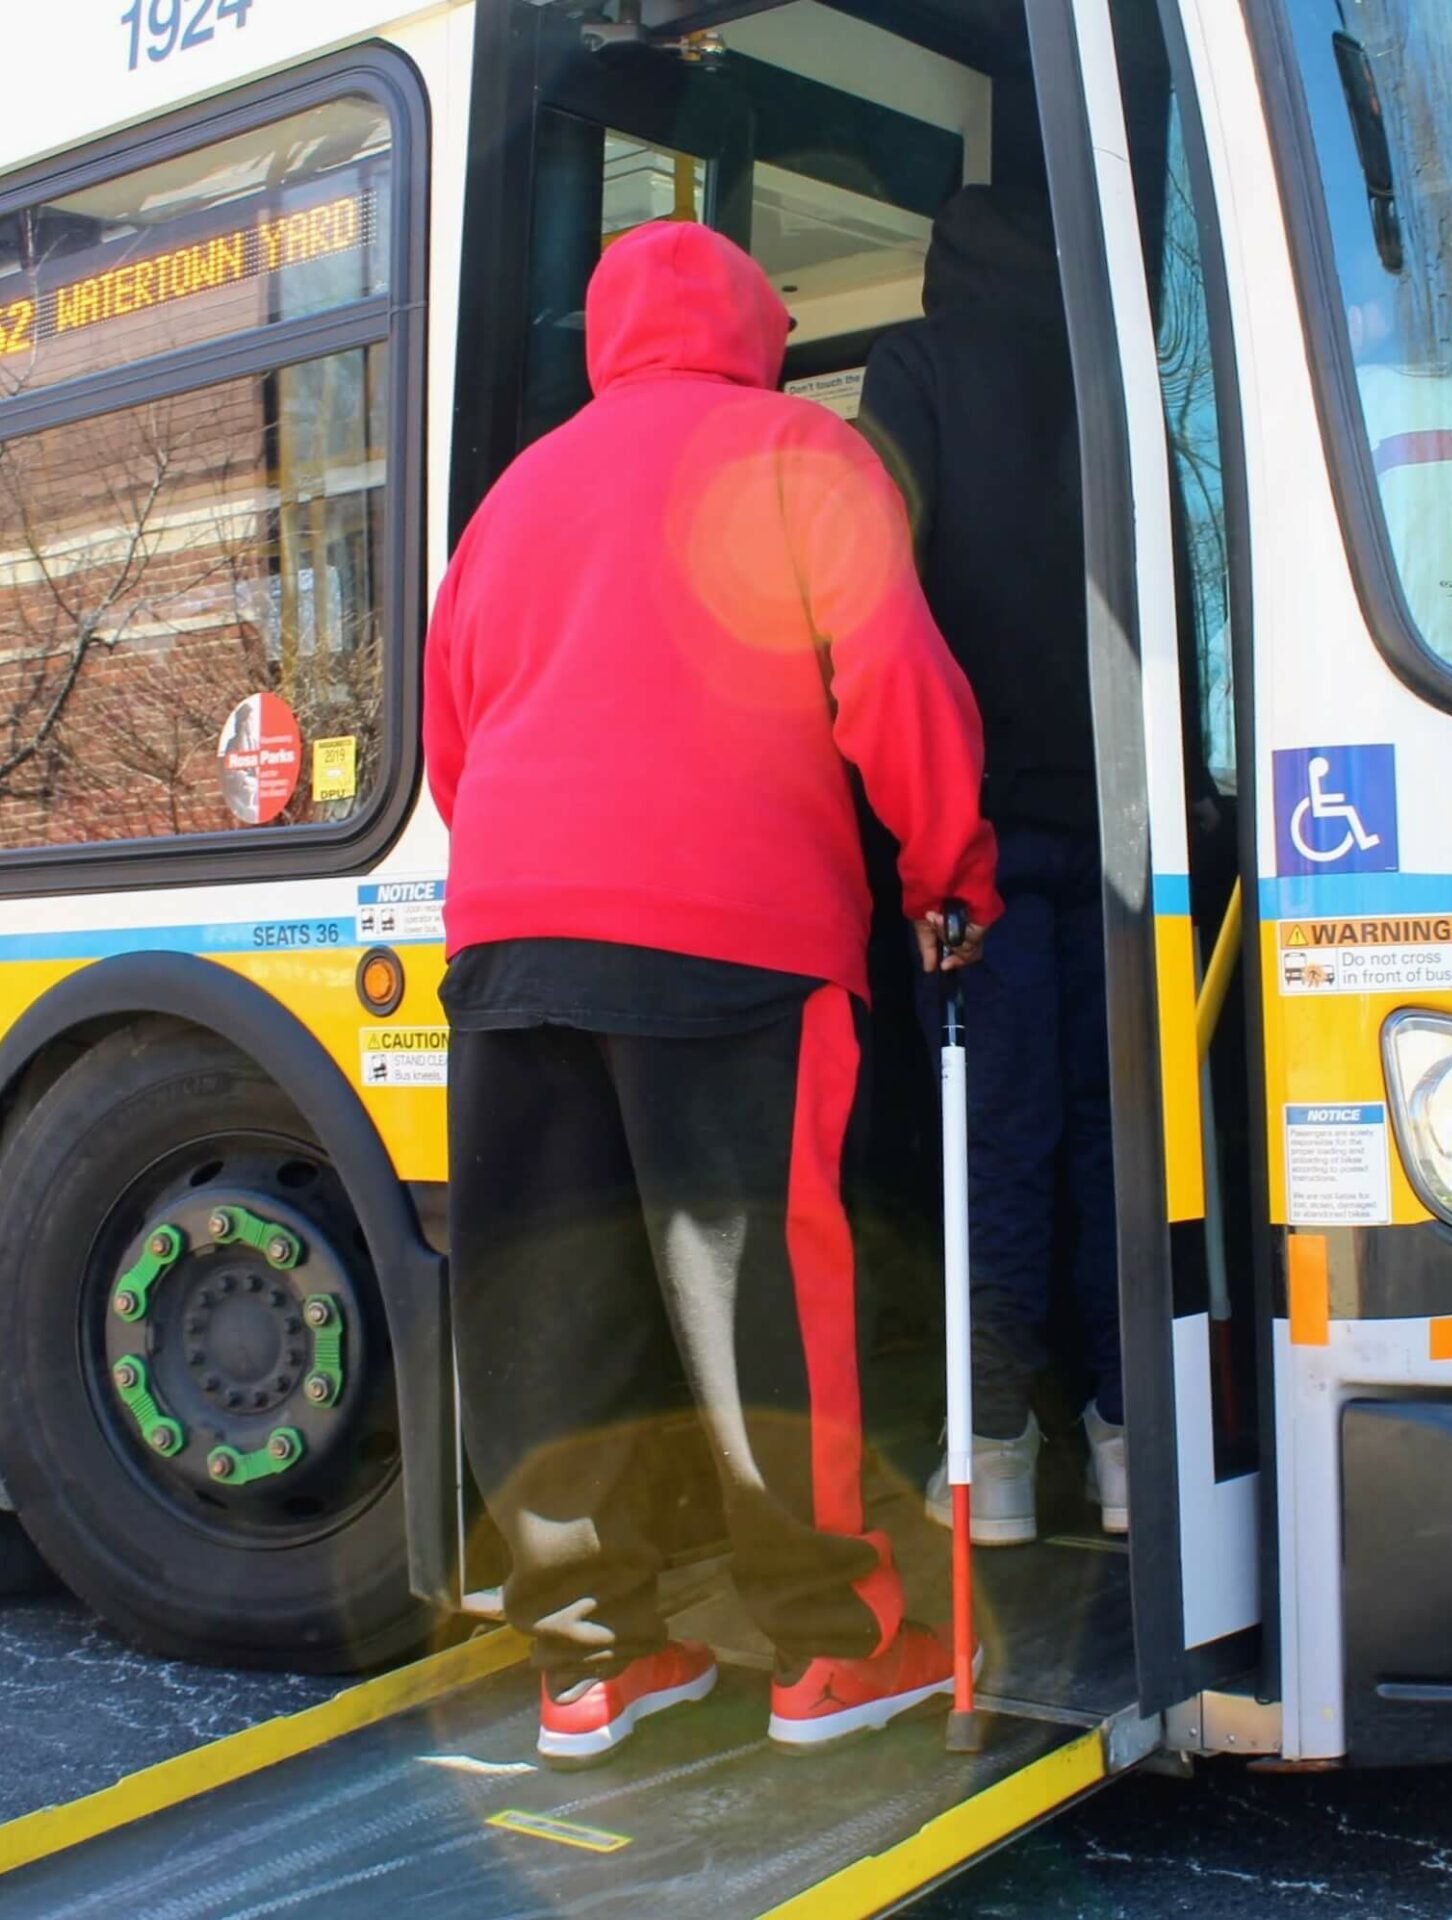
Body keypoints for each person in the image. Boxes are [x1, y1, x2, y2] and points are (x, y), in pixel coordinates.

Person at [424, 220, 1001, 1767]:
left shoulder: (514, 496)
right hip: (734, 941)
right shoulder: (799, 449)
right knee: (766, 1302)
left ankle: (594, 1663)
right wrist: (950, 875)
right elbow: (891, 681)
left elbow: (453, 741)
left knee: (552, 1299)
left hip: (509, 942)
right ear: (756, 326)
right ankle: (834, 1647)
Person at [858, 184, 1126, 1545]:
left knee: (993, 1144)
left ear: (938, 271)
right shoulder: (1114, 375)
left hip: (979, 833)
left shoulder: (918, 369)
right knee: (1111, 1137)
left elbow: (873, 586)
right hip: (1125, 825)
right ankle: (1133, 1442)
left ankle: (996, 1457)